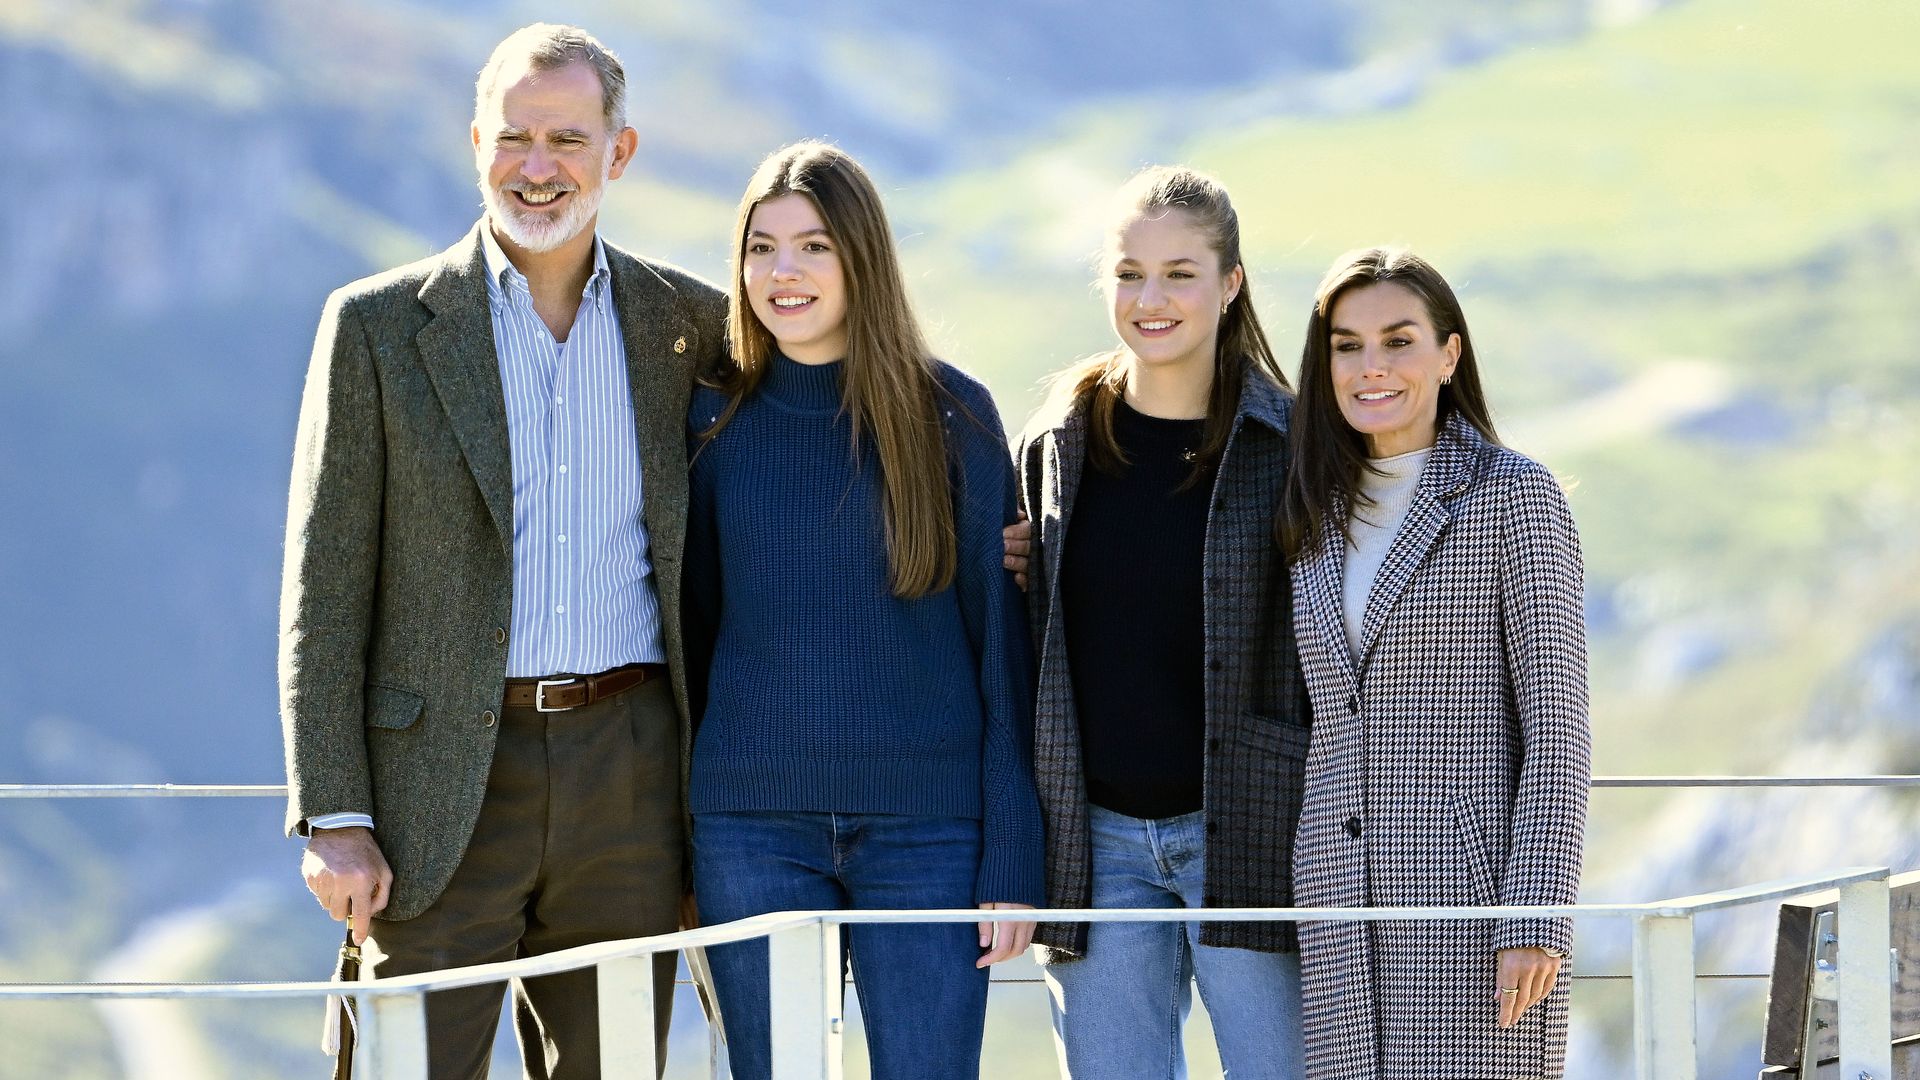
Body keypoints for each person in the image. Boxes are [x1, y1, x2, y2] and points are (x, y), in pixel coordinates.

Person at [280, 24, 727, 1077]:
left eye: (566, 139)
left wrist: (991, 531)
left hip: (633, 775)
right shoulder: (377, 329)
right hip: (434, 791)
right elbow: (325, 584)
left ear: (619, 152)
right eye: (514, 138)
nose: (537, 168)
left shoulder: (693, 328)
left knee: (614, 1068)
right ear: (475, 140)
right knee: (404, 1067)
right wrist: (334, 816)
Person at [679, 141, 1045, 1080]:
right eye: (762, 248)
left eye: (813, 246)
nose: (783, 272)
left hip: (929, 833)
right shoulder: (712, 423)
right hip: (750, 829)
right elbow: (694, 631)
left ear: (862, 260)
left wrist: (1012, 852)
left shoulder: (954, 417)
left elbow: (998, 651)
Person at [1014, 166, 1311, 1080]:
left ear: (1230, 284)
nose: (1152, 298)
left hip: (1254, 833)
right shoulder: (1056, 443)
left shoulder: (1293, 444)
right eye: (1129, 272)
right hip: (1096, 845)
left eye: (1180, 273)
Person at [1279, 247, 1590, 1079]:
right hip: (1336, 912)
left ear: (1449, 354)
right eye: (1347, 346)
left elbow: (1558, 729)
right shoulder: (1311, 509)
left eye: (1398, 340)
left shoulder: (1513, 494)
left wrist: (1535, 916)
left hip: (1472, 912)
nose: (1371, 367)